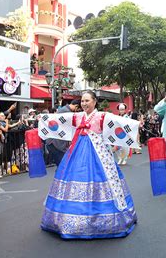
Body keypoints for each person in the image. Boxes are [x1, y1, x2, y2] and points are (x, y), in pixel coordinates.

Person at [41, 91, 138, 239]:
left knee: (105, 179)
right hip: (77, 151)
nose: (84, 103)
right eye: (82, 101)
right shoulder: (77, 116)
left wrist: (136, 125)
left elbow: (120, 124)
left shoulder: (103, 116)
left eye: (87, 101)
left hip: (98, 153)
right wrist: (43, 119)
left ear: (94, 102)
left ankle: (101, 218)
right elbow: (60, 120)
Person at [45, 99, 80, 166]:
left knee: (62, 165)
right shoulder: (67, 112)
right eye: (78, 109)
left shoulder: (64, 110)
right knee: (63, 165)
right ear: (76, 106)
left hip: (54, 142)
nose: (77, 112)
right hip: (56, 143)